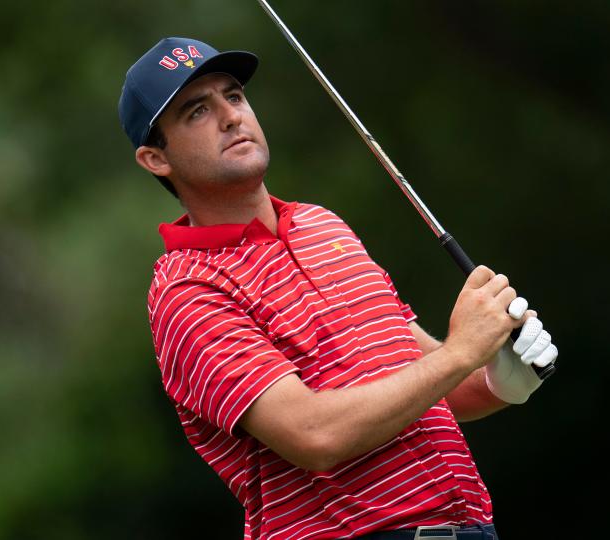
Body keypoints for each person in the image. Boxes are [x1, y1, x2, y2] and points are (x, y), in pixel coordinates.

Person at [118, 37, 558, 540]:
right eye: (197, 111)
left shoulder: (322, 226)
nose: (230, 117)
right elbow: (314, 434)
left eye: (234, 96)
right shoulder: (187, 291)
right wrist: (460, 352)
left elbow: (422, 386)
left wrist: (500, 378)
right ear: (156, 159)